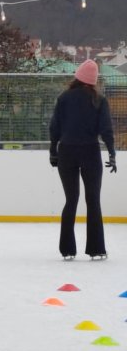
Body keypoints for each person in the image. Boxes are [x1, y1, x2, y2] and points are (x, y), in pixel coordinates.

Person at [49, 59, 115, 261]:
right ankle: (96, 249)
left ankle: (67, 250)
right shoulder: (99, 100)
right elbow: (106, 129)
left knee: (71, 200)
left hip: (67, 151)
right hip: (90, 152)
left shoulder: (64, 98)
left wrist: (53, 151)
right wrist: (111, 153)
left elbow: (54, 127)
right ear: (94, 81)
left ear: (77, 76)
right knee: (93, 200)